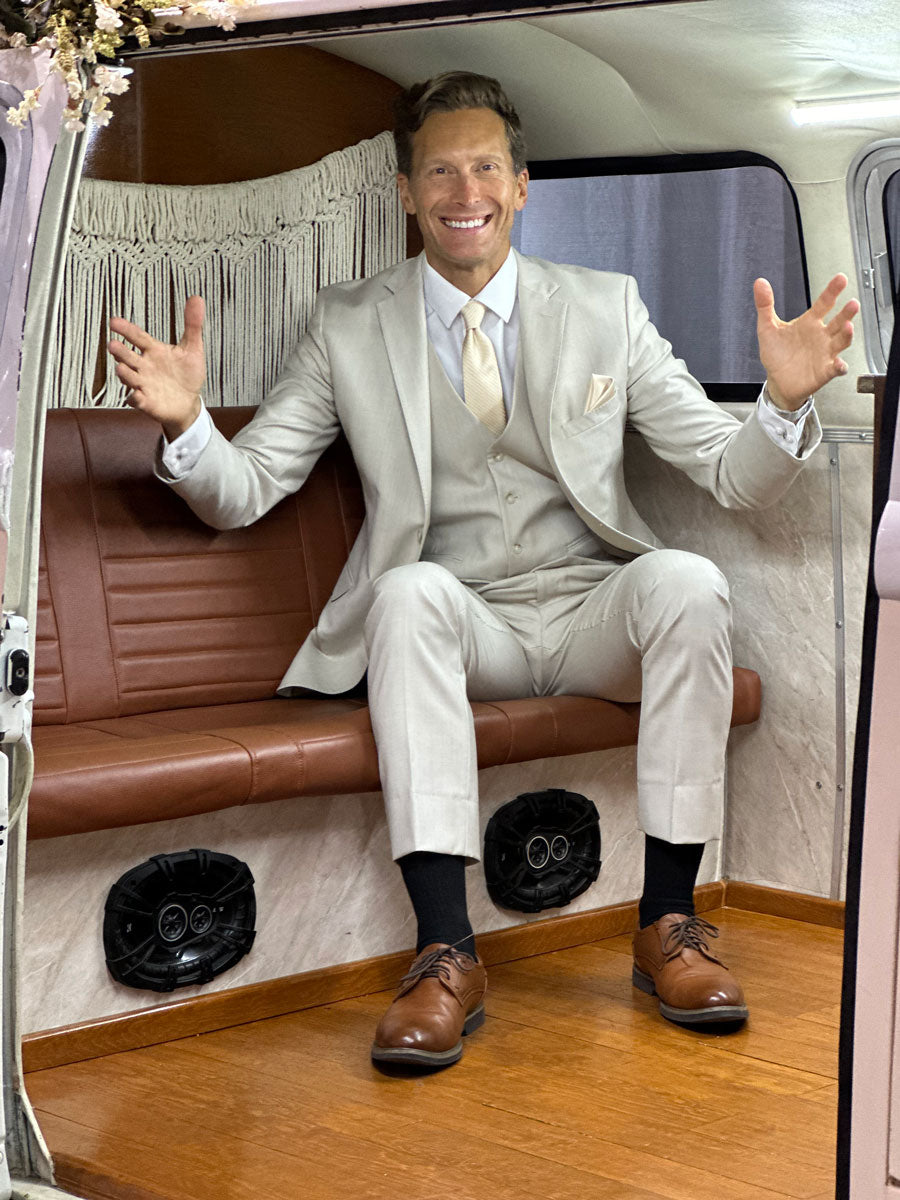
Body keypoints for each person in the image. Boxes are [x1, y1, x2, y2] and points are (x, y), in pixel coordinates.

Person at [108, 71, 858, 1070]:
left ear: (523, 184)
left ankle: (669, 925)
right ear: (409, 192)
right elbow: (246, 487)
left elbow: (730, 475)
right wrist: (188, 424)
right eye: (442, 171)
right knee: (407, 593)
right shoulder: (346, 324)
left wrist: (784, 403)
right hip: (463, 623)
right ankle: (446, 955)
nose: (467, 192)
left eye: (487, 168)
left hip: (590, 607)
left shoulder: (607, 308)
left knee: (688, 581)